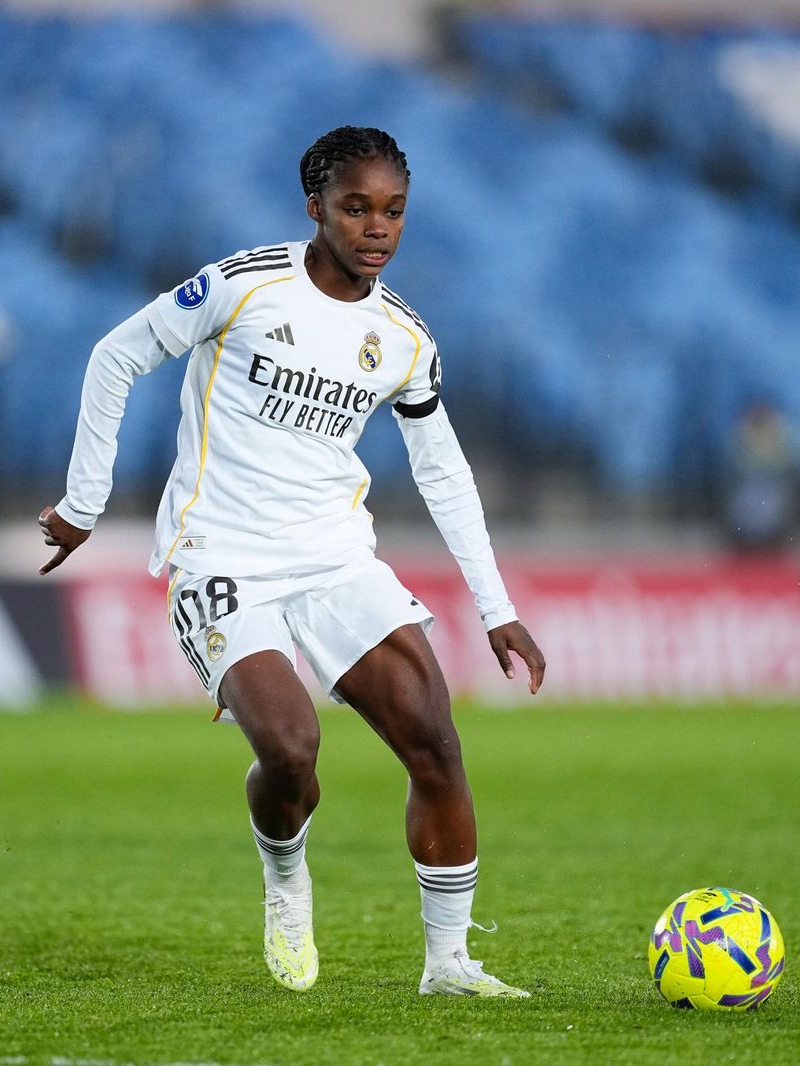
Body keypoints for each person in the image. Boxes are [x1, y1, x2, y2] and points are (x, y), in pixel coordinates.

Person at [37, 126, 545, 997]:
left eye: (394, 211)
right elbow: (115, 355)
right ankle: (285, 877)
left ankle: (449, 964)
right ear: (315, 206)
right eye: (356, 208)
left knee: (436, 744)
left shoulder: (403, 338)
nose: (377, 228)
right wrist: (84, 503)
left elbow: (442, 470)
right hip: (220, 555)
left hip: (335, 560)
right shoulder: (241, 287)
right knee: (291, 748)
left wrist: (497, 607)